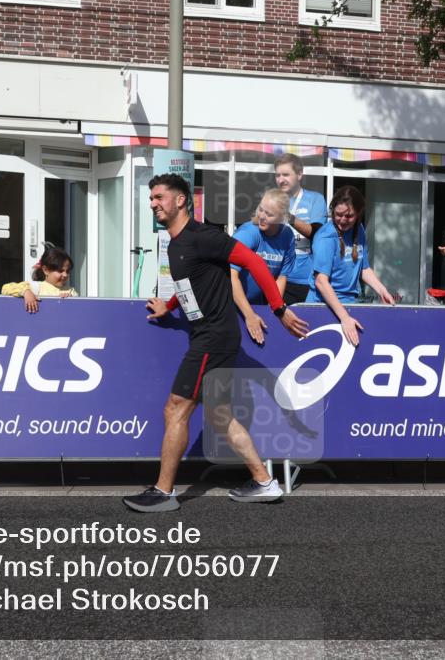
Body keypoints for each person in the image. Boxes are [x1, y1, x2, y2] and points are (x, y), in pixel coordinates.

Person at [122, 173, 309, 513]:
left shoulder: (203, 236)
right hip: (211, 335)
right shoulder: (176, 243)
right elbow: (190, 286)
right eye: (151, 198)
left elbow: (251, 261)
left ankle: (164, 492)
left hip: (213, 336)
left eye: (159, 197)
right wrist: (170, 306)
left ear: (180, 200)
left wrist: (279, 308)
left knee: (175, 408)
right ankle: (265, 482)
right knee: (221, 415)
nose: (153, 204)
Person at [308, 186, 396, 347]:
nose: (342, 219)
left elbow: (363, 268)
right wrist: (344, 318)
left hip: (350, 304)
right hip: (323, 307)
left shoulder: (359, 230)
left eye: (348, 216)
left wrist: (382, 291)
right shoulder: (325, 237)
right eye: (338, 214)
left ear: (358, 214)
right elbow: (321, 281)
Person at [230, 188, 296, 344]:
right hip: (233, 305)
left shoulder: (287, 236)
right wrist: (249, 315)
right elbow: (231, 277)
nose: (262, 217)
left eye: (269, 214)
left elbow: (281, 277)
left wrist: (275, 309)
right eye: (261, 210)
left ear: (282, 218)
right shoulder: (248, 233)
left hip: (259, 307)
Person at [274, 153, 328, 305]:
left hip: (306, 279)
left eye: (285, 174)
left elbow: (315, 233)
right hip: (278, 277)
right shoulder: (272, 200)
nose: (280, 180)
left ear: (299, 174)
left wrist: (287, 215)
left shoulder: (315, 199)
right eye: (277, 175)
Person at [0, 246, 78, 313]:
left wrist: (71, 300)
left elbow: (78, 310)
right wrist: (26, 292)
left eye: (67, 271)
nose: (65, 275)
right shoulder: (36, 287)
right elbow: (5, 288)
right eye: (60, 271)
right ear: (46, 270)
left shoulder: (70, 291)